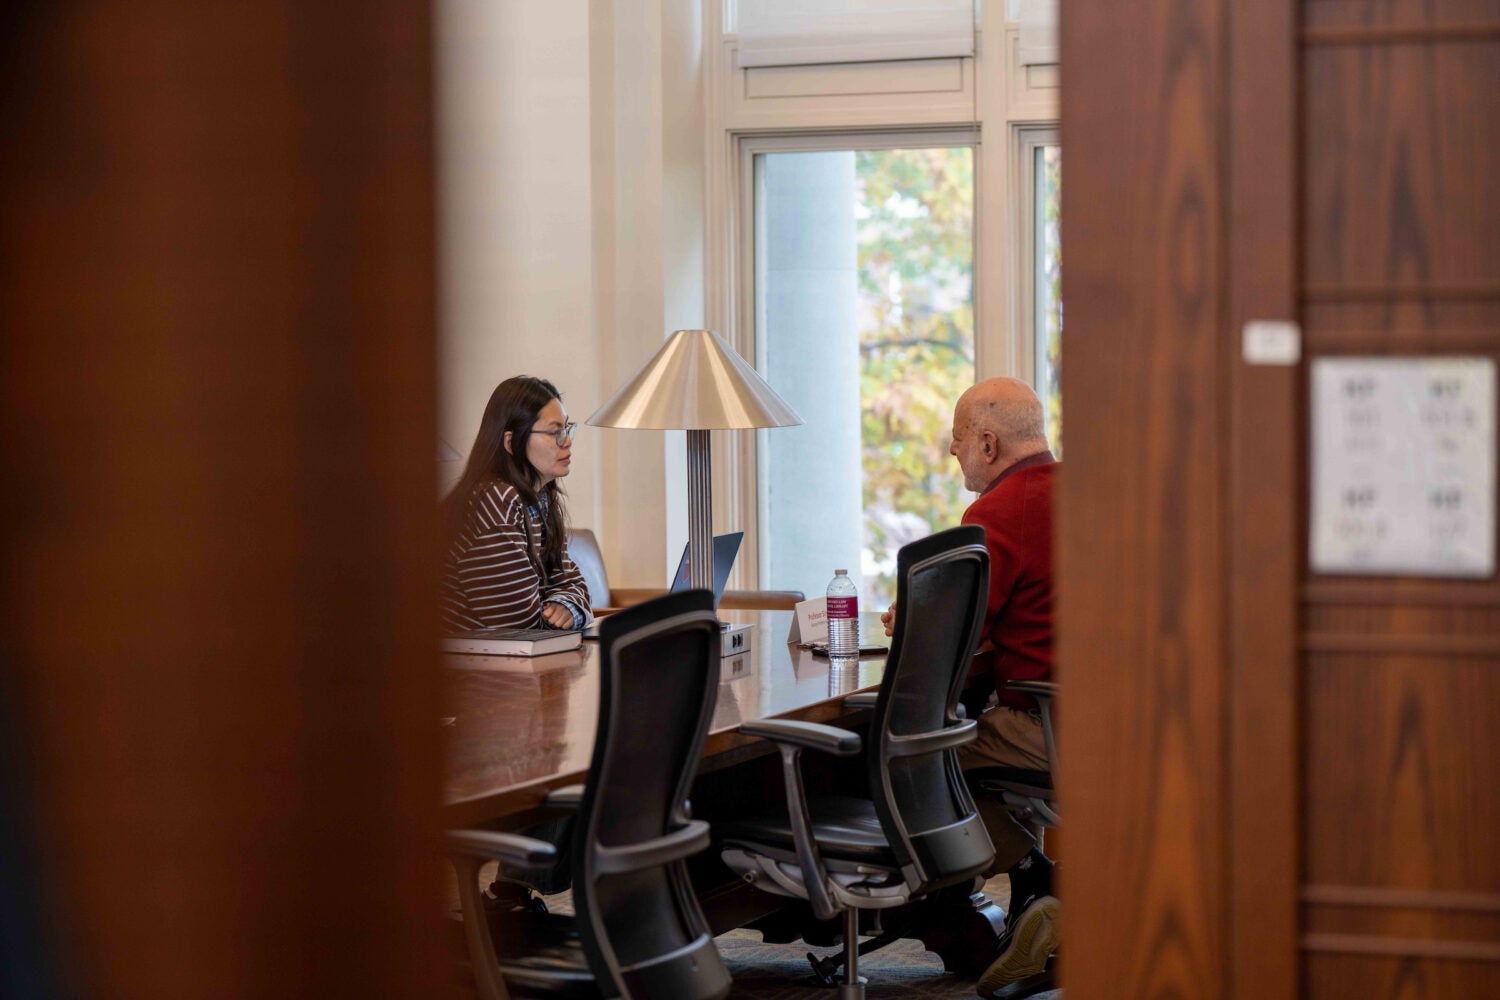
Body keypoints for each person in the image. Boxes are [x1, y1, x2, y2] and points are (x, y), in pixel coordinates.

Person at [881, 376, 1059, 993]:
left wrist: (912, 615)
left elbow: (947, 637)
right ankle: (1034, 895)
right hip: (1108, 717)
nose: (952, 450)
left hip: (1045, 727)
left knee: (914, 760)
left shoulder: (1003, 510)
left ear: (986, 442)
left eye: (957, 438)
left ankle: (1040, 881)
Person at [442, 376, 592, 632]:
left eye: (567, 429)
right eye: (555, 431)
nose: (567, 441)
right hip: (465, 662)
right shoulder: (495, 501)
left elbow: (574, 583)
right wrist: (558, 604)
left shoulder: (541, 499)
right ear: (511, 442)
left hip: (502, 657)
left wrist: (569, 607)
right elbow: (519, 624)